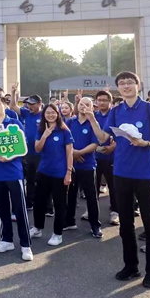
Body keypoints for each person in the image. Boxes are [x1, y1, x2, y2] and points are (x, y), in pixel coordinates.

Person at [89, 71, 150, 289]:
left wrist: (147, 143)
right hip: (121, 172)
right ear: (118, 88)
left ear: (138, 85)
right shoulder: (116, 111)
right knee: (125, 224)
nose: (126, 86)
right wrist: (91, 117)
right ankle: (131, 266)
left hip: (144, 174)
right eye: (122, 83)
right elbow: (104, 138)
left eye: (130, 82)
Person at [0, 94, 33, 261]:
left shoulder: (14, 123)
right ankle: (6, 240)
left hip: (13, 172)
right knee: (2, 208)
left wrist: (9, 157)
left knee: (19, 209)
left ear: (4, 105)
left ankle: (25, 245)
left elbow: (23, 146)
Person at [29, 104, 73, 246]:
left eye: (53, 112)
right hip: (43, 171)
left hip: (60, 173)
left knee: (59, 204)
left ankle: (57, 234)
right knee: (39, 202)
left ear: (58, 114)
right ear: (44, 115)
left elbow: (69, 153)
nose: (50, 115)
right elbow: (37, 149)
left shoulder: (64, 131)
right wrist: (45, 135)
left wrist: (68, 172)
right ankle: (37, 228)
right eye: (47, 113)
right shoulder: (41, 129)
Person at [64, 97, 103, 238]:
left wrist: (79, 153)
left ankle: (95, 225)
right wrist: (73, 153)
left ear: (92, 107)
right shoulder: (69, 122)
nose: (83, 106)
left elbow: (95, 143)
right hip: (71, 165)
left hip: (88, 165)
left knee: (91, 196)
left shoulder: (93, 123)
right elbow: (64, 140)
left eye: (87, 104)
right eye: (81, 104)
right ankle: (69, 221)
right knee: (70, 195)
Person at [14, 94, 44, 212]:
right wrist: (13, 92)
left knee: (41, 180)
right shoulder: (27, 114)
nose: (29, 106)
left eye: (32, 104)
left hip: (41, 154)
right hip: (28, 153)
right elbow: (13, 106)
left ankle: (46, 205)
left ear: (39, 104)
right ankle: (29, 202)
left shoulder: (45, 115)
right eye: (28, 104)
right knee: (30, 179)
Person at [93, 90, 118, 225]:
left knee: (113, 187)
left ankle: (115, 212)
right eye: (99, 100)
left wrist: (113, 146)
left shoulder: (115, 116)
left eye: (105, 100)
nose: (102, 102)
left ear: (110, 102)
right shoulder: (93, 116)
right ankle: (92, 210)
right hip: (95, 156)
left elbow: (122, 135)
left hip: (111, 157)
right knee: (93, 185)